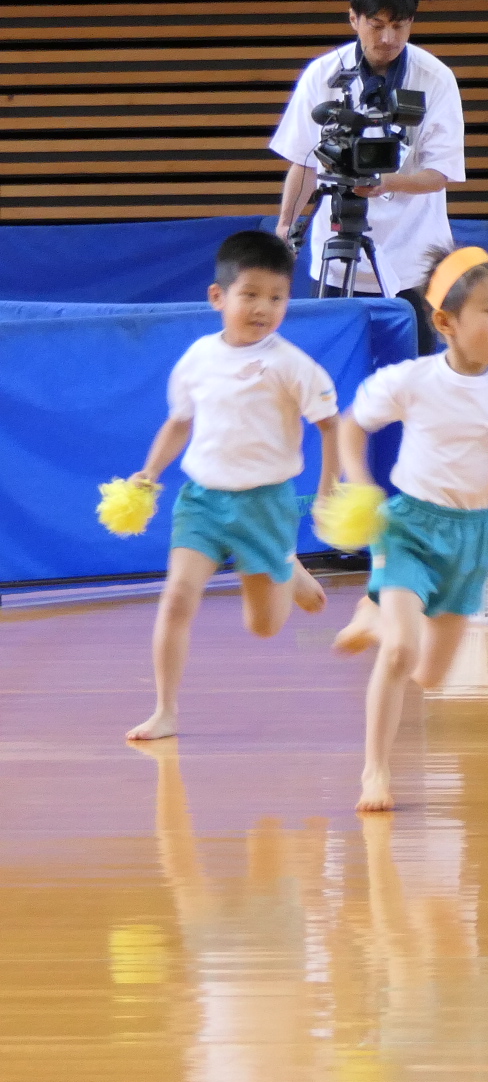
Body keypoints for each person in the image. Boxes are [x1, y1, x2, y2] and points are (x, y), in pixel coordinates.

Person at [331, 246, 488, 812]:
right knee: (401, 652)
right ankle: (375, 772)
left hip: (475, 536)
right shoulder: (414, 379)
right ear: (446, 322)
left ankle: (375, 616)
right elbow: (351, 426)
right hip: (409, 527)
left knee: (430, 675)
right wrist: (360, 483)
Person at [119, 230, 338, 743]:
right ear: (218, 297)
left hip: (265, 506)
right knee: (177, 597)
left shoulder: (292, 365)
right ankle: (165, 711)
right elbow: (179, 422)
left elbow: (331, 424)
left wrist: (329, 488)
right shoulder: (198, 358)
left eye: (277, 297)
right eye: (251, 294)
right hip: (202, 501)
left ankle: (286, 565)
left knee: (264, 627)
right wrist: (149, 474)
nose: (264, 308)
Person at [271, 0, 467, 354]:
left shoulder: (435, 78)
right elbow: (304, 161)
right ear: (353, 19)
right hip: (337, 252)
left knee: (413, 370)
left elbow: (440, 174)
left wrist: (385, 182)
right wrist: (285, 225)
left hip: (415, 258)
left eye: (399, 25)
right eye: (376, 25)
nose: (388, 38)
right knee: (334, 365)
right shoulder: (323, 75)